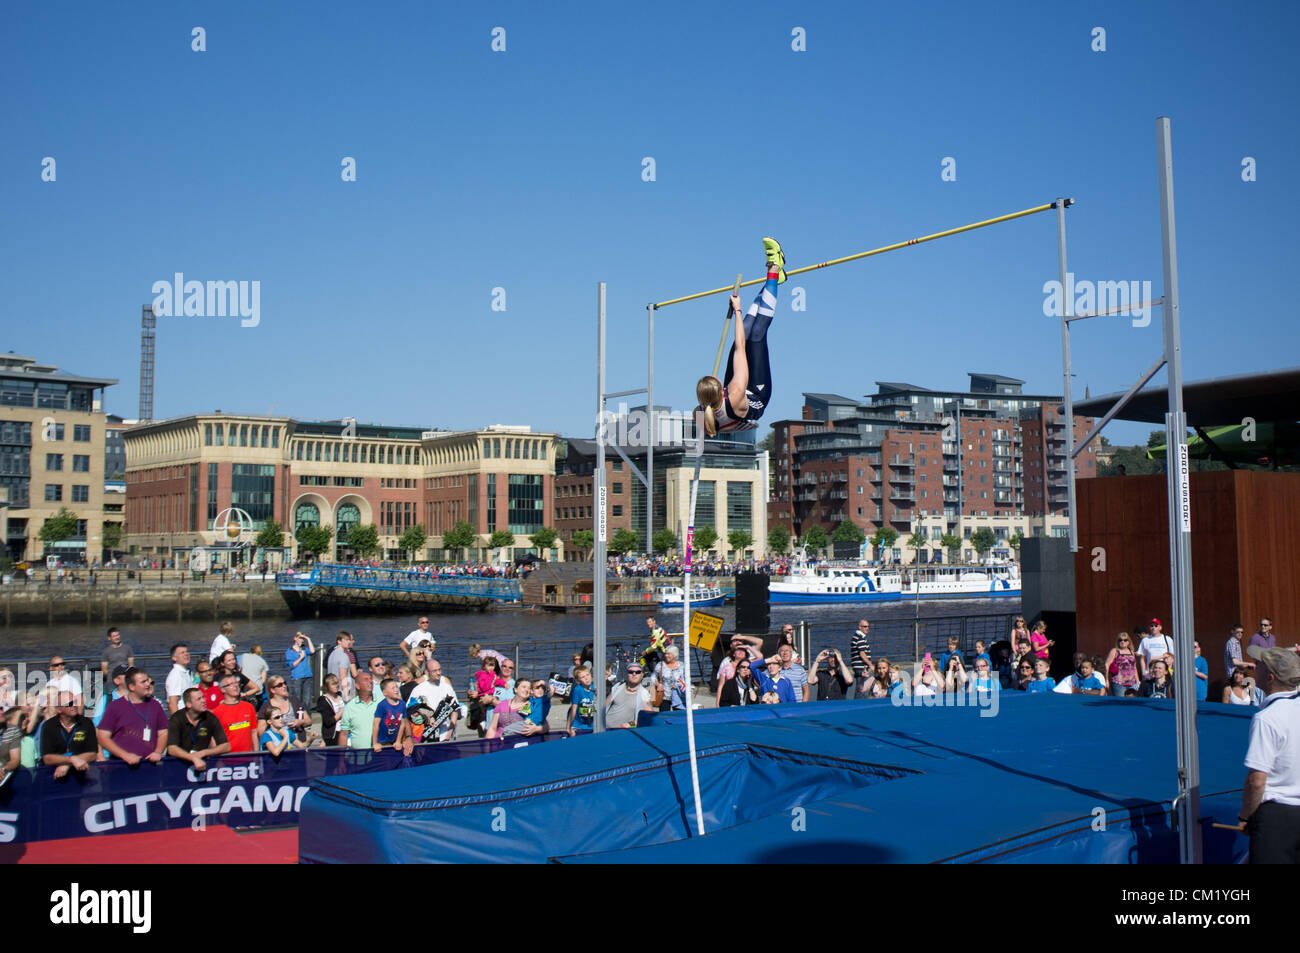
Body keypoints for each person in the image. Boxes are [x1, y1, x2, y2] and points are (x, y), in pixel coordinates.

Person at [695, 238, 786, 436]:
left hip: (731, 409)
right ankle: (775, 265)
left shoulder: (699, 413)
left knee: (743, 333)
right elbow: (741, 348)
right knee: (755, 336)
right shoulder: (734, 392)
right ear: (720, 389)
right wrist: (737, 310)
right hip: (756, 395)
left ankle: (774, 281)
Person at [1237, 645, 1300, 863]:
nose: (1255, 667)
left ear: (1271, 677)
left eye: (1260, 665)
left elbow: (1257, 780)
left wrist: (1247, 816)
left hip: (1278, 816)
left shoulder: (1267, 718)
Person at [96, 668, 168, 764]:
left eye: (148, 681)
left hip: (150, 764)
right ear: (132, 687)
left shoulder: (155, 705)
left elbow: (163, 733)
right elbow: (103, 737)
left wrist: (158, 752)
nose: (148, 684)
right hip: (121, 765)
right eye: (143, 682)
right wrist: (124, 755)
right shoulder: (115, 706)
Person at [40, 691, 100, 780]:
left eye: (75, 702)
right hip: (54, 776)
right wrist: (71, 759)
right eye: (69, 704)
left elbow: (92, 754)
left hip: (81, 777)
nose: (74, 705)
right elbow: (47, 758)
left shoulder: (86, 723)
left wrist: (67, 764)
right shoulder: (49, 726)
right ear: (59, 709)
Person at [166, 687, 230, 770]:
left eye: (203, 697)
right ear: (188, 704)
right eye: (199, 699)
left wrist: (205, 752)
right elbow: (172, 748)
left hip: (201, 763)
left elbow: (226, 746)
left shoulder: (210, 718)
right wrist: (193, 758)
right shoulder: (177, 718)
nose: (203, 701)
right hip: (177, 765)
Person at [410, 660, 460, 741]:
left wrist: (450, 731)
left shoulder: (447, 688)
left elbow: (455, 710)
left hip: (444, 734)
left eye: (439, 670)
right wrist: (426, 717)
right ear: (426, 672)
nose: (438, 673)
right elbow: (411, 709)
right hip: (425, 734)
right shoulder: (418, 689)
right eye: (434, 671)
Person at [212, 672, 259, 753]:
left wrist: (257, 755)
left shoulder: (249, 707)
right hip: (228, 758)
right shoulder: (217, 712)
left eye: (236, 683)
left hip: (249, 757)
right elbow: (214, 740)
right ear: (223, 689)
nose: (235, 686)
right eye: (230, 684)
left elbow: (254, 733)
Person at [337, 672, 379, 750]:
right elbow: (344, 734)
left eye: (370, 679)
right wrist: (341, 760)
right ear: (357, 686)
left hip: (380, 755)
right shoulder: (350, 707)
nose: (370, 681)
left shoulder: (381, 702)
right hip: (358, 757)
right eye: (366, 680)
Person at [606, 664, 654, 728]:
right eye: (631, 672)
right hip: (604, 728)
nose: (634, 674)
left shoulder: (644, 694)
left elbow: (649, 718)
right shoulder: (618, 686)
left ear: (642, 675)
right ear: (627, 674)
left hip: (622, 732)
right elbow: (604, 706)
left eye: (637, 672)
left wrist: (630, 724)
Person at [468, 656, 506, 736]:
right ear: (484, 666)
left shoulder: (493, 675)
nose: (490, 668)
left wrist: (504, 684)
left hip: (489, 694)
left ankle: (483, 722)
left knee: (486, 709)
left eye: (492, 665)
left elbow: (497, 681)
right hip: (484, 694)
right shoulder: (483, 675)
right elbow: (483, 686)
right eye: (488, 665)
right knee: (483, 709)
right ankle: (482, 722)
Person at [653, 645, 689, 712]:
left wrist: (679, 685)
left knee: (680, 717)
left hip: (679, 697)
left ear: (674, 654)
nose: (666, 656)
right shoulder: (660, 665)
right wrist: (658, 684)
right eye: (665, 654)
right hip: (664, 696)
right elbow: (653, 677)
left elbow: (687, 680)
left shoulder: (682, 666)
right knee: (664, 717)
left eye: (668, 654)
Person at [1103, 632, 1140, 698]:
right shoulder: (1115, 651)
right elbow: (1107, 665)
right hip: (1118, 683)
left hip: (1132, 683)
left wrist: (1137, 681)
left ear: (1128, 642)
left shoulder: (1131, 651)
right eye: (1120, 640)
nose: (1123, 642)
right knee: (1120, 702)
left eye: (1125, 640)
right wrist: (1106, 680)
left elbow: (1134, 667)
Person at [164, 642, 195, 714]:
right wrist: (178, 723)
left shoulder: (185, 673)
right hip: (183, 718)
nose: (186, 654)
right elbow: (173, 703)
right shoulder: (175, 675)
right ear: (174, 658)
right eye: (182, 653)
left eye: (187, 652)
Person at [285, 632, 315, 705]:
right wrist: (301, 657)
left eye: (303, 639)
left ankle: (307, 713)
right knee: (297, 698)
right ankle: (298, 714)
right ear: (295, 638)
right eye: (300, 638)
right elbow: (292, 665)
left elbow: (312, 651)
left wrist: (308, 639)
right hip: (297, 677)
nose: (302, 640)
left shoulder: (304, 649)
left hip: (307, 676)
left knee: (307, 699)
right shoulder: (290, 651)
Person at [315, 674, 345, 746]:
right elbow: (328, 721)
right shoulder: (323, 700)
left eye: (337, 683)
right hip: (333, 734)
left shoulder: (340, 696)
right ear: (326, 686)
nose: (336, 686)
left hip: (345, 730)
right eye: (333, 684)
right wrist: (340, 713)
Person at [566, 666, 597, 734]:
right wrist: (569, 726)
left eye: (588, 675)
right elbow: (573, 708)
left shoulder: (594, 687)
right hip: (578, 724)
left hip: (592, 724)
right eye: (583, 677)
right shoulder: (577, 690)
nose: (586, 678)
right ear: (578, 680)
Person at [328, 632, 356, 701]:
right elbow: (343, 677)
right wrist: (346, 696)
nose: (349, 642)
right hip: (342, 692)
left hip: (332, 690)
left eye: (349, 640)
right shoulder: (344, 656)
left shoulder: (332, 654)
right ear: (339, 641)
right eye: (346, 640)